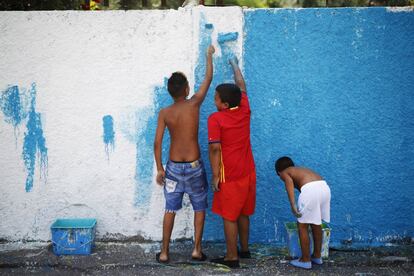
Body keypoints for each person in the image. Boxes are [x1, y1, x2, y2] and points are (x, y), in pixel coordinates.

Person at [153, 45, 215, 263]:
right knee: (199, 208)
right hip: (194, 167)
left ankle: (164, 252)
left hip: (173, 168)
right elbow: (208, 78)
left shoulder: (165, 113)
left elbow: (157, 142)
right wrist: (208, 55)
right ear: (187, 89)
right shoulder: (194, 104)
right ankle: (196, 250)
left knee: (170, 209)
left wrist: (160, 168)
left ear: (171, 92)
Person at [208, 58, 256, 268]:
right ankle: (244, 250)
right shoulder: (244, 108)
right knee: (244, 212)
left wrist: (216, 175)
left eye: (216, 98)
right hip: (248, 171)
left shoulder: (216, 119)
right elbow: (242, 86)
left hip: (230, 175)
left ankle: (231, 257)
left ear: (225, 105)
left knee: (230, 216)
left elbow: (215, 148)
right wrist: (235, 66)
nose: (214, 101)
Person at [275, 156, 331, 269]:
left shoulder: (286, 172)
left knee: (302, 226)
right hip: (324, 187)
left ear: (279, 172)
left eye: (278, 175)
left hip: (311, 191)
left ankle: (305, 260)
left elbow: (289, 187)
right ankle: (317, 256)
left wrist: (293, 206)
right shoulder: (300, 170)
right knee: (316, 223)